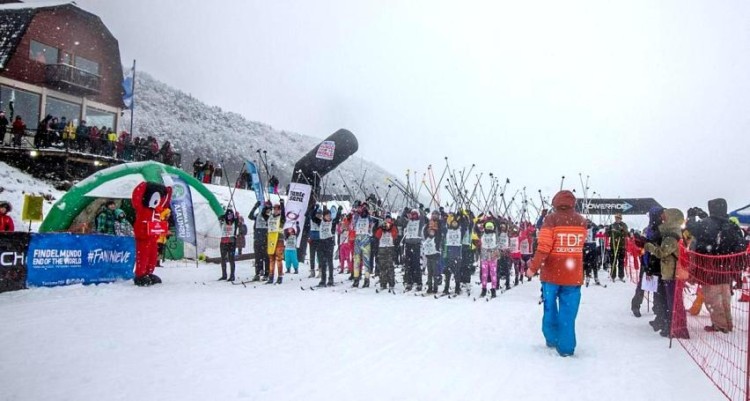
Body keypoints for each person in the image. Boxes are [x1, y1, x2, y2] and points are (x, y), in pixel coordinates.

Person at [525, 190, 587, 357]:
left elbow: (544, 247)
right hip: (573, 275)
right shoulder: (581, 221)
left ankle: (552, 338)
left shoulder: (551, 220)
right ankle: (566, 347)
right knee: (568, 312)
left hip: (551, 274)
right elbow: (580, 245)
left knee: (550, 308)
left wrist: (533, 268)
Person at [686, 199, 748, 333]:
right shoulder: (731, 224)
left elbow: (693, 228)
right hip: (727, 266)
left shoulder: (706, 224)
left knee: (713, 299)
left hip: (709, 266)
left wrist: (691, 216)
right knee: (725, 297)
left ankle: (720, 326)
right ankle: (728, 323)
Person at [645, 208, 689, 339]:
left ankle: (676, 328)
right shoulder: (674, 233)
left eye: (665, 216)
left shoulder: (671, 236)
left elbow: (661, 252)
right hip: (670, 272)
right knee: (672, 303)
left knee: (673, 303)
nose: (662, 218)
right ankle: (673, 326)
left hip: (671, 273)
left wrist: (649, 246)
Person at [374, 215, 399, 291]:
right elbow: (377, 235)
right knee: (382, 266)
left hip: (390, 247)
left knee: (390, 266)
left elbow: (395, 236)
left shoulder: (393, 226)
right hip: (382, 247)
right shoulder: (381, 226)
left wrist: (390, 228)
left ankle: (391, 283)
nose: (387, 220)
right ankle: (383, 283)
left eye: (389, 219)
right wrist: (382, 228)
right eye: (386, 219)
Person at [249, 201, 270, 281]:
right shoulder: (258, 215)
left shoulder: (269, 216)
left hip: (266, 239)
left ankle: (266, 274)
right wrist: (255, 207)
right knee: (258, 258)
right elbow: (250, 216)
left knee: (266, 257)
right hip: (257, 239)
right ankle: (257, 273)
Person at [266, 200, 286, 284]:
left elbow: (284, 216)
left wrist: (282, 204)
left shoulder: (281, 218)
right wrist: (268, 206)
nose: (276, 210)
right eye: (274, 209)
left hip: (279, 239)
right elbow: (264, 213)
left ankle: (280, 277)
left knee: (279, 259)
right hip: (271, 239)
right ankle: (271, 277)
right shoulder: (270, 217)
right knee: (271, 258)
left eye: (278, 209)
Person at [479, 220, 500, 298]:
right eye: (488, 227)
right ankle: (484, 288)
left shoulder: (495, 235)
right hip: (484, 255)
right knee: (484, 274)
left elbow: (498, 244)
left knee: (493, 273)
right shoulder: (482, 234)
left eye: (491, 227)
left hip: (493, 256)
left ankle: (493, 289)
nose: (489, 229)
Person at [606, 213, 629, 281]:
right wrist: (609, 231)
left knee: (621, 261)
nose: (617, 219)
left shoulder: (623, 225)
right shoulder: (612, 225)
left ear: (621, 218)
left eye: (618, 218)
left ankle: (621, 275)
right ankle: (613, 275)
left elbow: (626, 234)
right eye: (616, 218)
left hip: (621, 246)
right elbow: (607, 234)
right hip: (613, 246)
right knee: (613, 261)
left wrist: (621, 231)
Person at [218, 209, 237, 281]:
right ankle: (224, 275)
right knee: (223, 259)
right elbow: (219, 217)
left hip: (231, 242)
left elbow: (237, 219)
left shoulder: (235, 221)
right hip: (223, 241)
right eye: (228, 215)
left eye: (231, 215)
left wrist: (235, 216)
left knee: (231, 259)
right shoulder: (223, 221)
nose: (230, 217)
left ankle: (232, 275)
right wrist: (225, 215)